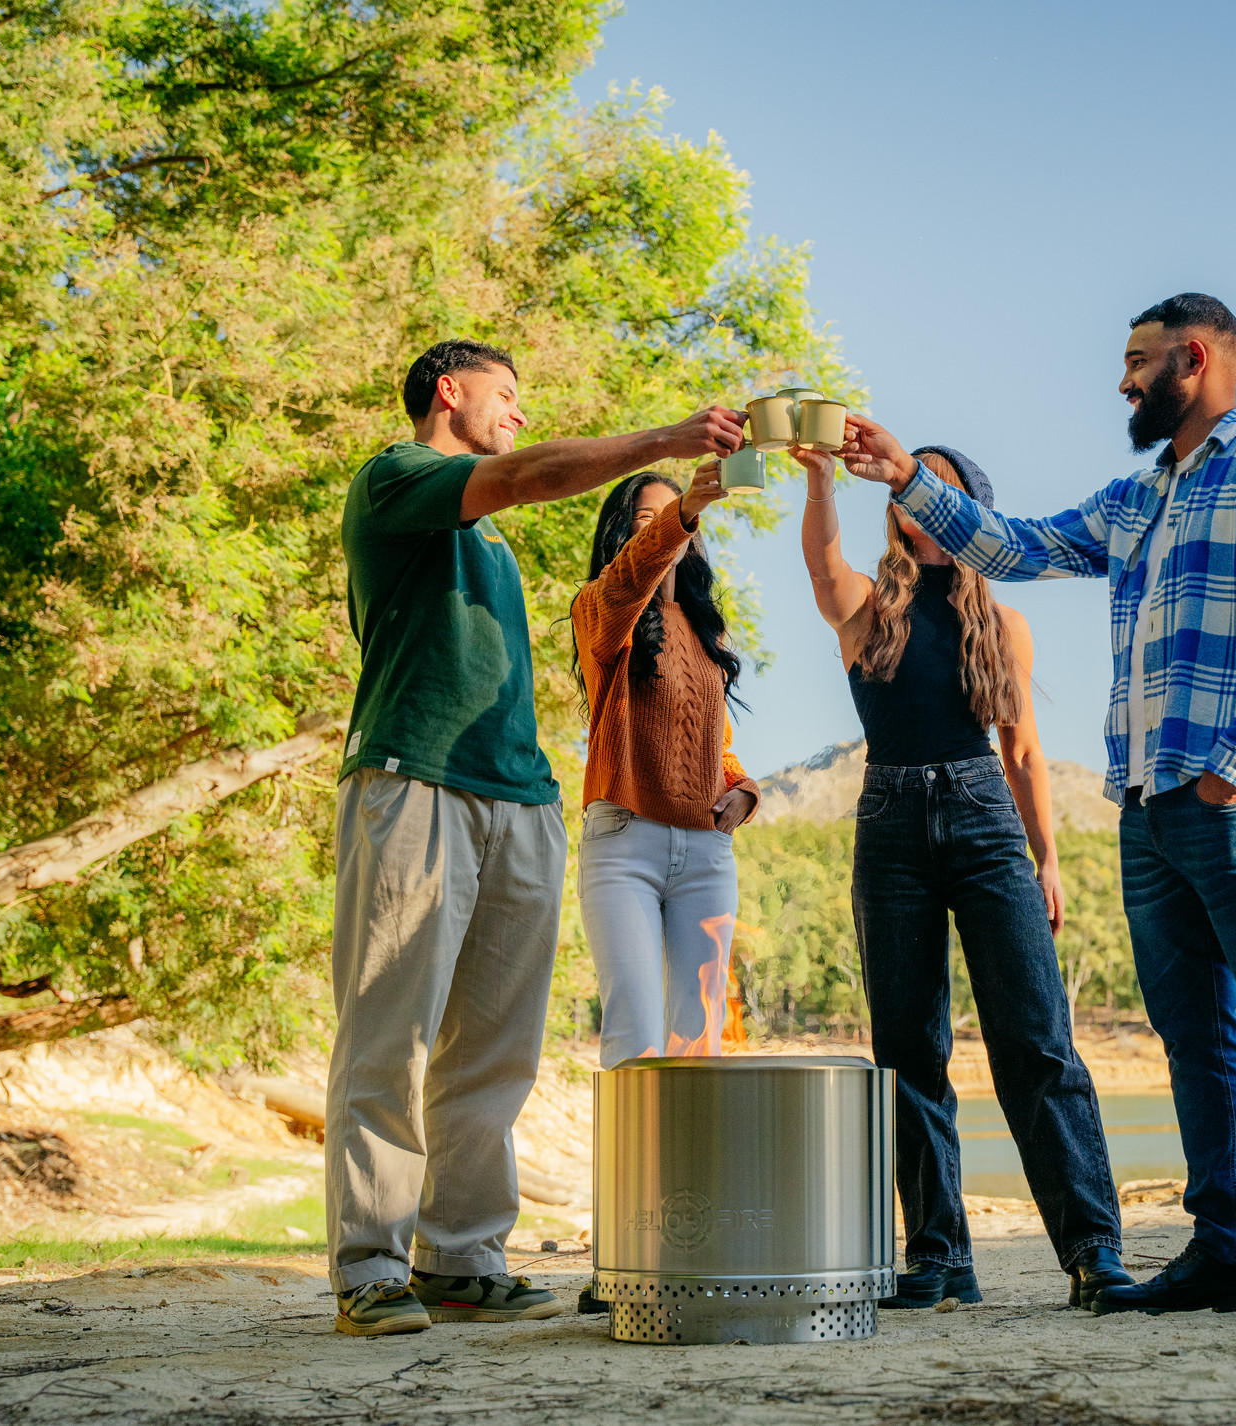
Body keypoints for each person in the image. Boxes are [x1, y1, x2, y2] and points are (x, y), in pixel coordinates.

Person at [834, 295, 1236, 1324]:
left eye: (1138, 363)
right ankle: (1226, 1250)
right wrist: (904, 474)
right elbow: (1015, 546)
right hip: (1148, 808)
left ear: (1195, 359)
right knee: (1196, 1037)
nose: (1122, 382)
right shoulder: (1140, 497)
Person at [328, 339, 743, 1337]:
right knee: (392, 1031)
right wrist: (665, 443)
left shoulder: (492, 550)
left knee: (496, 1047)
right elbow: (521, 476)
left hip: (522, 800)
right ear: (448, 390)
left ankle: (461, 1260)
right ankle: (371, 1267)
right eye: (505, 395)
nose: (515, 412)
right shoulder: (398, 479)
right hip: (415, 781)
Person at [795, 440, 1133, 1313]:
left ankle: (1094, 1251)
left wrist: (1046, 857)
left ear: (971, 514)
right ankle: (939, 1257)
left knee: (1035, 1038)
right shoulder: (867, 611)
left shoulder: (1004, 625)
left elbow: (1022, 750)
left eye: (946, 493)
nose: (926, 506)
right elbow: (820, 561)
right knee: (908, 1050)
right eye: (916, 493)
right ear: (898, 515)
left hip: (987, 823)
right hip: (891, 824)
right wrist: (820, 478)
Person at [571, 463, 759, 1071]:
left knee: (698, 1046)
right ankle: (631, 1171)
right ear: (623, 537)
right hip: (625, 844)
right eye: (645, 521)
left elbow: (715, 747)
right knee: (634, 1039)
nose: (664, 533)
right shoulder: (602, 610)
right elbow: (630, 581)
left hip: (706, 853)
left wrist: (744, 791)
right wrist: (685, 509)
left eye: (676, 519)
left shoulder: (707, 632)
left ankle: (691, 1171)